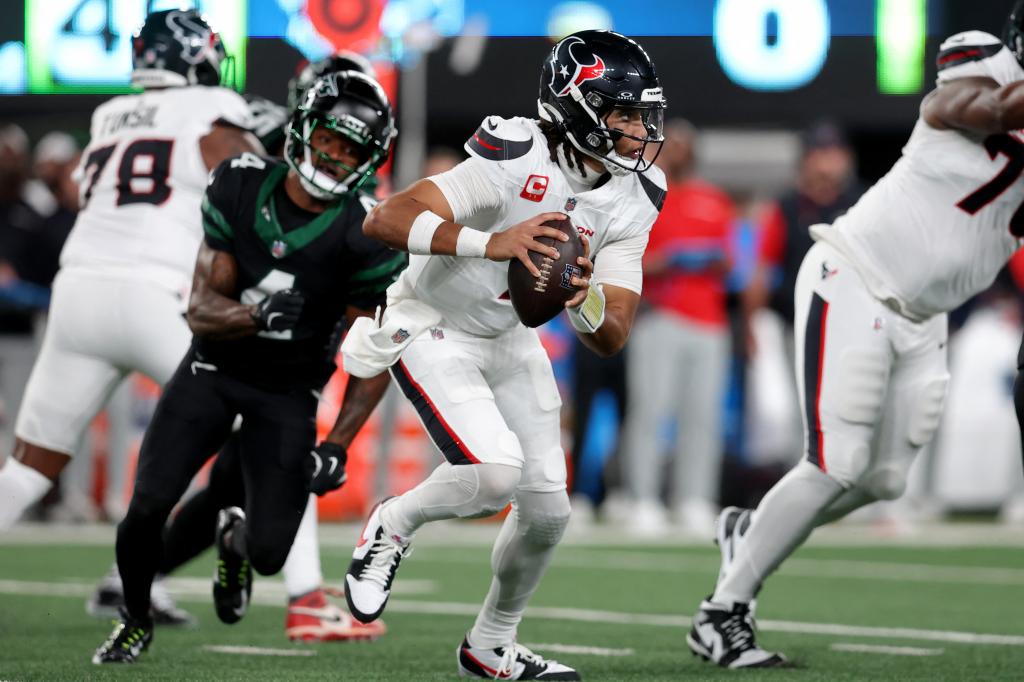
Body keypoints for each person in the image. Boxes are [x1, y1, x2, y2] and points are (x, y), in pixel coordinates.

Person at [687, 22, 1024, 669]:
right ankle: (722, 613)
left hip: (926, 313)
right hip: (858, 277)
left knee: (886, 479)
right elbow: (972, 107)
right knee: (833, 463)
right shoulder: (983, 65)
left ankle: (750, 531)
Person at [340, 29, 667, 680]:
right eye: (622, 112)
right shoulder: (517, 149)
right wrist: (489, 243)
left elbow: (613, 332)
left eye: (641, 114)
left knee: (548, 512)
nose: (637, 130)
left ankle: (489, 646)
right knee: (493, 475)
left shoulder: (639, 194)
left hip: (509, 334)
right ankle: (392, 522)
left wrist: (580, 296)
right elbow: (384, 220)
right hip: (434, 320)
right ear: (574, 105)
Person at [92, 69, 402, 664]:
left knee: (268, 554)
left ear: (370, 159)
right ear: (304, 131)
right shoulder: (239, 184)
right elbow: (201, 311)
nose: (336, 156)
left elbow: (373, 351)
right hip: (213, 369)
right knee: (147, 506)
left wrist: (339, 442)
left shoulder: (367, 234)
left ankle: (233, 539)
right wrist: (254, 317)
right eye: (330, 140)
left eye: (351, 148)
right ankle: (134, 618)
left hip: (288, 392)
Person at [0, 9, 258, 532]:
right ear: (194, 58)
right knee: (266, 438)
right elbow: (254, 187)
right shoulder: (214, 107)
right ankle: (305, 600)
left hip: (76, 292)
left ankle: (137, 574)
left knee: (29, 465)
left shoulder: (109, 115)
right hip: (152, 292)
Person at [620, 119, 735, 535]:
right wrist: (668, 261)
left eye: (686, 146)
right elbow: (628, 260)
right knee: (650, 410)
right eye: (674, 146)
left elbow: (729, 261)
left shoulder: (715, 200)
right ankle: (643, 498)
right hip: (659, 315)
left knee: (702, 416)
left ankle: (694, 498)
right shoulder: (642, 197)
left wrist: (709, 258)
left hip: (709, 321)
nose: (680, 153)